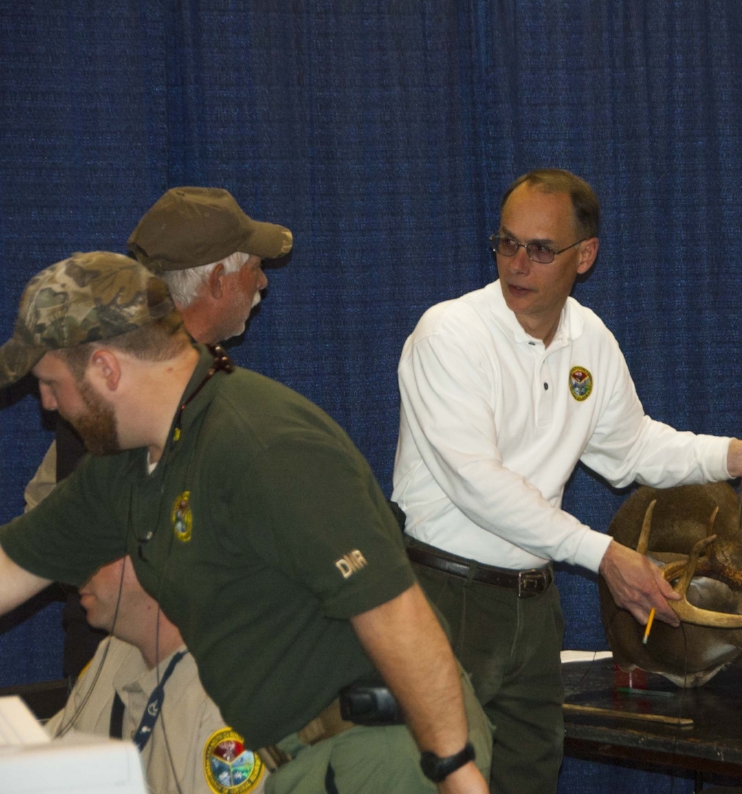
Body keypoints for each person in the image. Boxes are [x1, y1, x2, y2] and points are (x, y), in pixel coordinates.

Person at [392, 168, 742, 793]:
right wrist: (604, 554)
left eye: (541, 249)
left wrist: (738, 457)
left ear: (584, 256)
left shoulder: (589, 339)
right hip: (443, 597)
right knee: (431, 780)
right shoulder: (449, 335)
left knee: (528, 778)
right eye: (507, 243)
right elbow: (477, 483)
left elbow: (633, 446)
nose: (518, 262)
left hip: (533, 607)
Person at [0, 252, 491, 794]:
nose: (46, 403)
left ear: (106, 369)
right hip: (296, 759)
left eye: (51, 383)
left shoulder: (260, 443)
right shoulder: (125, 467)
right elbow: (9, 568)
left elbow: (395, 613)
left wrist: (454, 769)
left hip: (390, 751)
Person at [24, 186, 293, 679]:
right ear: (216, 280)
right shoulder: (129, 392)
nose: (262, 285)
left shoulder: (125, 378)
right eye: (253, 268)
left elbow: (44, 504)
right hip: (131, 666)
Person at [48, 556, 268, 794]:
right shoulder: (111, 654)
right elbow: (40, 765)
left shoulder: (232, 695)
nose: (75, 572)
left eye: (98, 547)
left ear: (152, 552)